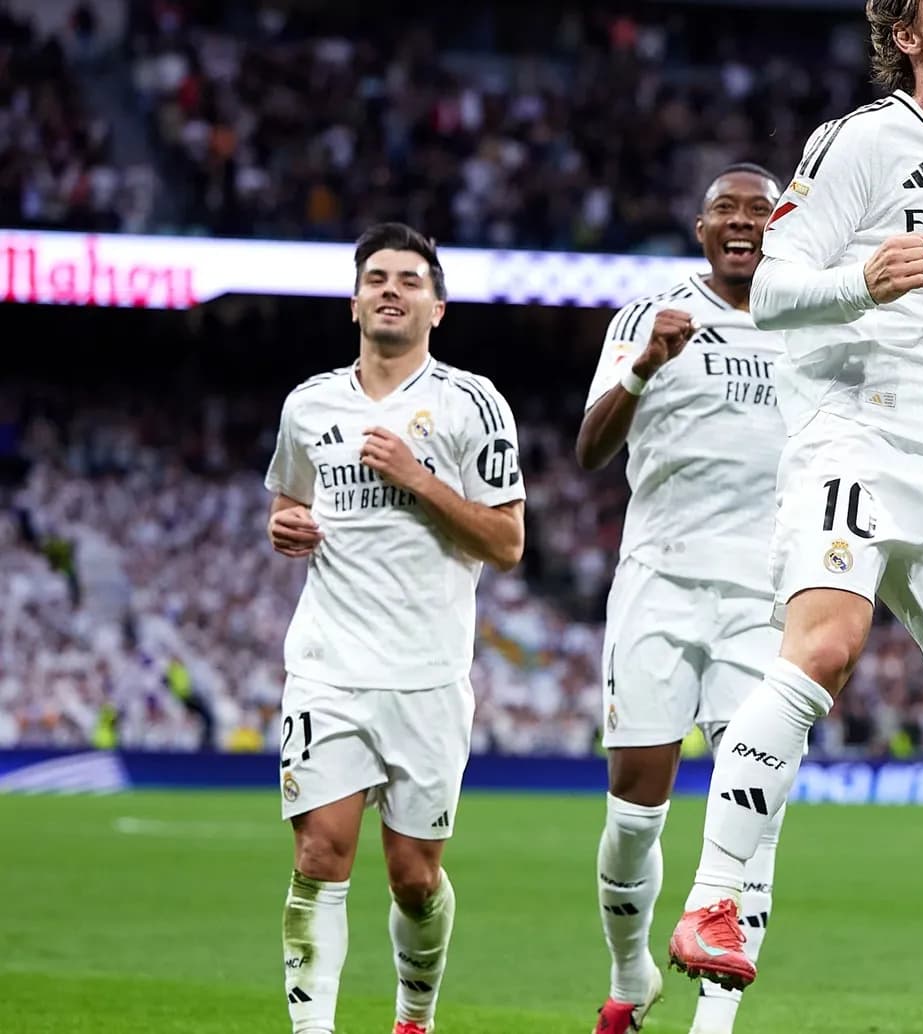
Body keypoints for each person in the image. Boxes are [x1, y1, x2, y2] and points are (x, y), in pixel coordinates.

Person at [664, 2, 923, 1032]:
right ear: (906, 32)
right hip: (852, 435)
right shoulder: (859, 141)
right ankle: (714, 894)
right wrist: (860, 281)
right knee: (828, 644)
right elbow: (772, 290)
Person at [265, 223, 526, 1034]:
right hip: (327, 665)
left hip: (428, 675)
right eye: (376, 277)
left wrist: (417, 479)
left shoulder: (471, 403)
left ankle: (415, 1014)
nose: (390, 289)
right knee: (319, 860)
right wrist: (287, 524)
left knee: (413, 879)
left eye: (409, 281)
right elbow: (287, 499)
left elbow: (508, 543)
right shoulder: (309, 404)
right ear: (353, 302)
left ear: (436, 308)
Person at [577, 164, 790, 1034]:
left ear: (781, 229)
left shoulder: (812, 323)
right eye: (725, 211)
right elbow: (589, 448)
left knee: (756, 815)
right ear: (702, 229)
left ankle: (715, 1026)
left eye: (759, 211)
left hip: (765, 599)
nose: (742, 223)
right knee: (634, 813)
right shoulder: (650, 313)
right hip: (659, 582)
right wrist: (641, 367)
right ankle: (632, 978)